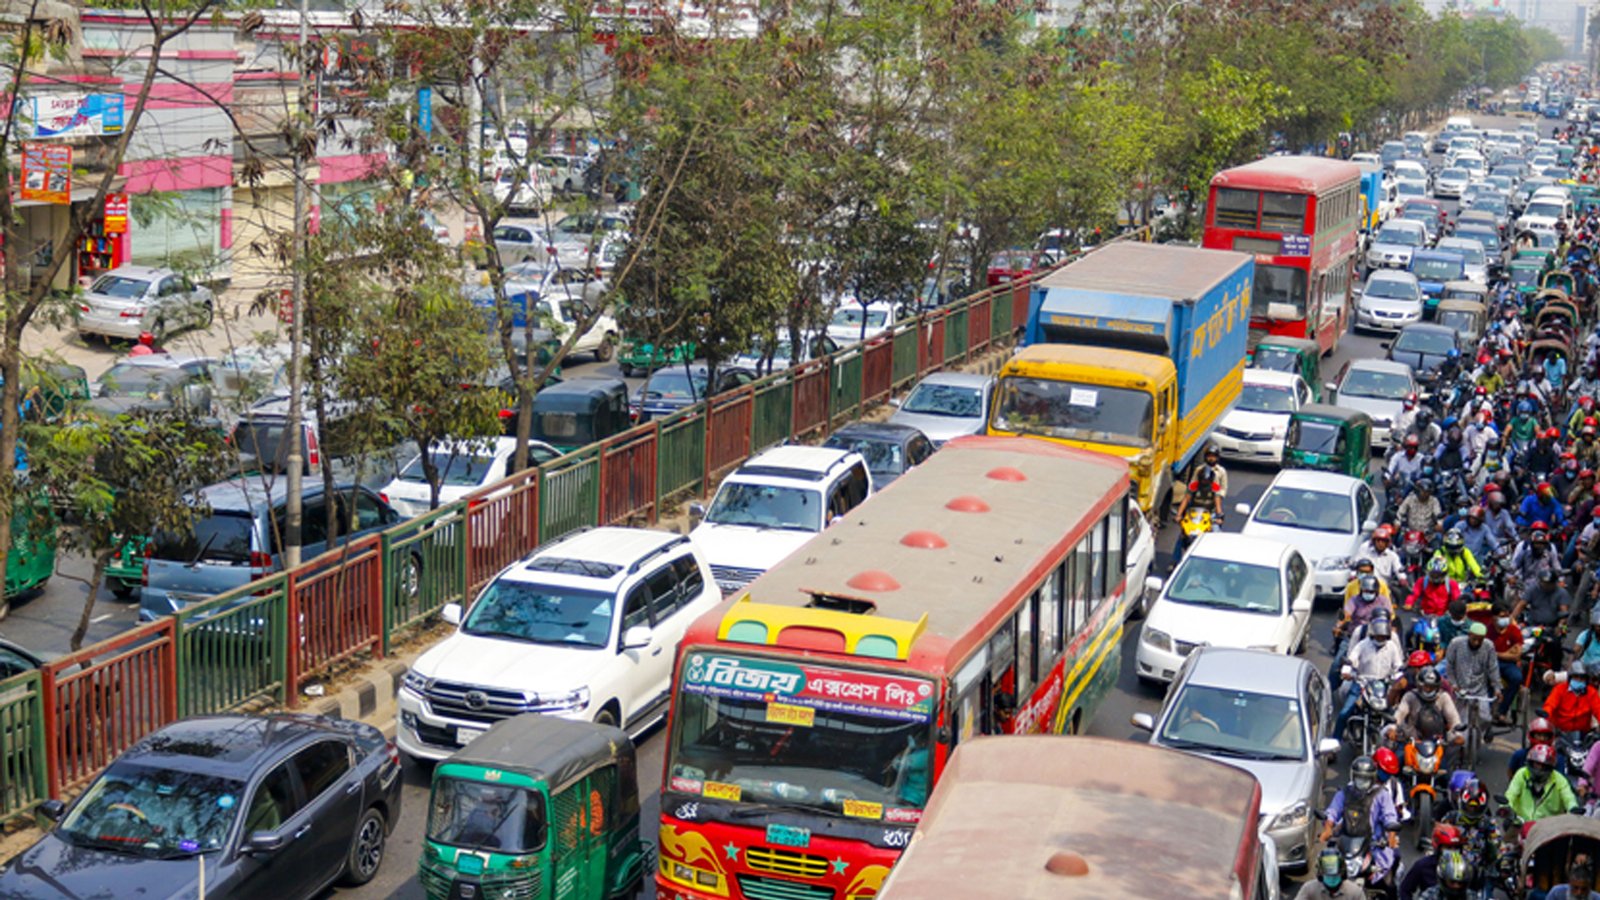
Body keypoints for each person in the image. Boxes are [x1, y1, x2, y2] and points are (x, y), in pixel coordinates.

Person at [1320, 756, 1400, 889]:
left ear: (1372, 778)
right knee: (1324, 874)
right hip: (1345, 845)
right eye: (1359, 777)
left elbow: (1390, 817)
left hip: (1373, 846)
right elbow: (1332, 811)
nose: (1361, 782)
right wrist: (1328, 828)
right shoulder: (1344, 792)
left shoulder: (1382, 794)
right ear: (1353, 776)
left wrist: (1391, 836)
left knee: (1387, 884)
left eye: (1365, 779)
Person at [1337, 616, 1406, 741]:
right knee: (1344, 713)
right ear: (1372, 635)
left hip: (1382, 686)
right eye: (1378, 636)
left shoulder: (1391, 647)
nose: (1380, 639)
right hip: (1362, 683)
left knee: (1393, 715)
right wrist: (1346, 671)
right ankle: (1335, 742)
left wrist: (1398, 677)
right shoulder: (1363, 645)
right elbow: (1351, 660)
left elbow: (1398, 666)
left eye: (1383, 637)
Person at [1389, 667, 1464, 769]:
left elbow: (1454, 718)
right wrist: (1392, 728)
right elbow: (1400, 713)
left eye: (1432, 687)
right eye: (1425, 686)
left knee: (1447, 774)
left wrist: (1458, 735)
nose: (1428, 689)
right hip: (1411, 743)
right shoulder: (1410, 696)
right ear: (1419, 685)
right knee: (1395, 765)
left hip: (1436, 746)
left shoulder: (1443, 697)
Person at [1444, 622, 1500, 730]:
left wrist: (1497, 688)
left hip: (1479, 689)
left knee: (1485, 718)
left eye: (1480, 640)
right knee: (1458, 722)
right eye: (1474, 639)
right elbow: (1449, 666)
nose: (1476, 642)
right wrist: (1454, 684)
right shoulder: (1456, 644)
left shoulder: (1489, 646)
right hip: (1460, 689)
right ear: (1469, 634)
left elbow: (1493, 668)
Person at [1506, 743, 1580, 823]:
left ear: (1550, 767)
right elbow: (1511, 794)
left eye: (1543, 765)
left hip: (1549, 828)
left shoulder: (1560, 779)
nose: (1539, 769)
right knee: (1507, 834)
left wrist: (1573, 808)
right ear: (1531, 762)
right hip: (1521, 823)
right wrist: (1505, 808)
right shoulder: (1522, 774)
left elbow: (1569, 798)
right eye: (1537, 764)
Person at [1544, 660, 1600, 737]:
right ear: (1570, 678)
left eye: (1582, 678)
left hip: (1583, 735)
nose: (1579, 680)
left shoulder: (1591, 692)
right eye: (1576, 677)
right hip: (1560, 732)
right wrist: (1545, 714)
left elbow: (1598, 709)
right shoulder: (1559, 689)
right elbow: (1550, 705)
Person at [1490, 606, 1526, 723]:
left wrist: (1496, 653)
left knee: (1517, 678)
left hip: (1508, 664)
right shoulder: (1488, 631)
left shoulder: (1514, 630)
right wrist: (1506, 653)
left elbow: (1516, 655)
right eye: (1501, 616)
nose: (1505, 619)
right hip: (1490, 663)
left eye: (1506, 616)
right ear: (1494, 617)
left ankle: (1502, 711)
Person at [1297, 847, 1366, 899]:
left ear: (1342, 873)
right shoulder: (1309, 889)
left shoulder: (1355, 892)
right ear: (1320, 874)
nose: (1332, 879)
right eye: (1328, 875)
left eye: (1335, 875)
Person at [1517, 567, 1573, 631]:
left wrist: (1560, 626)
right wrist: (1511, 620)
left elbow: (1564, 612)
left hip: (1552, 627)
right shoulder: (1532, 590)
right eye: (1544, 583)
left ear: (1555, 582)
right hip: (1533, 625)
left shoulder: (1562, 593)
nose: (1547, 585)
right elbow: (1521, 604)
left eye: (1549, 583)